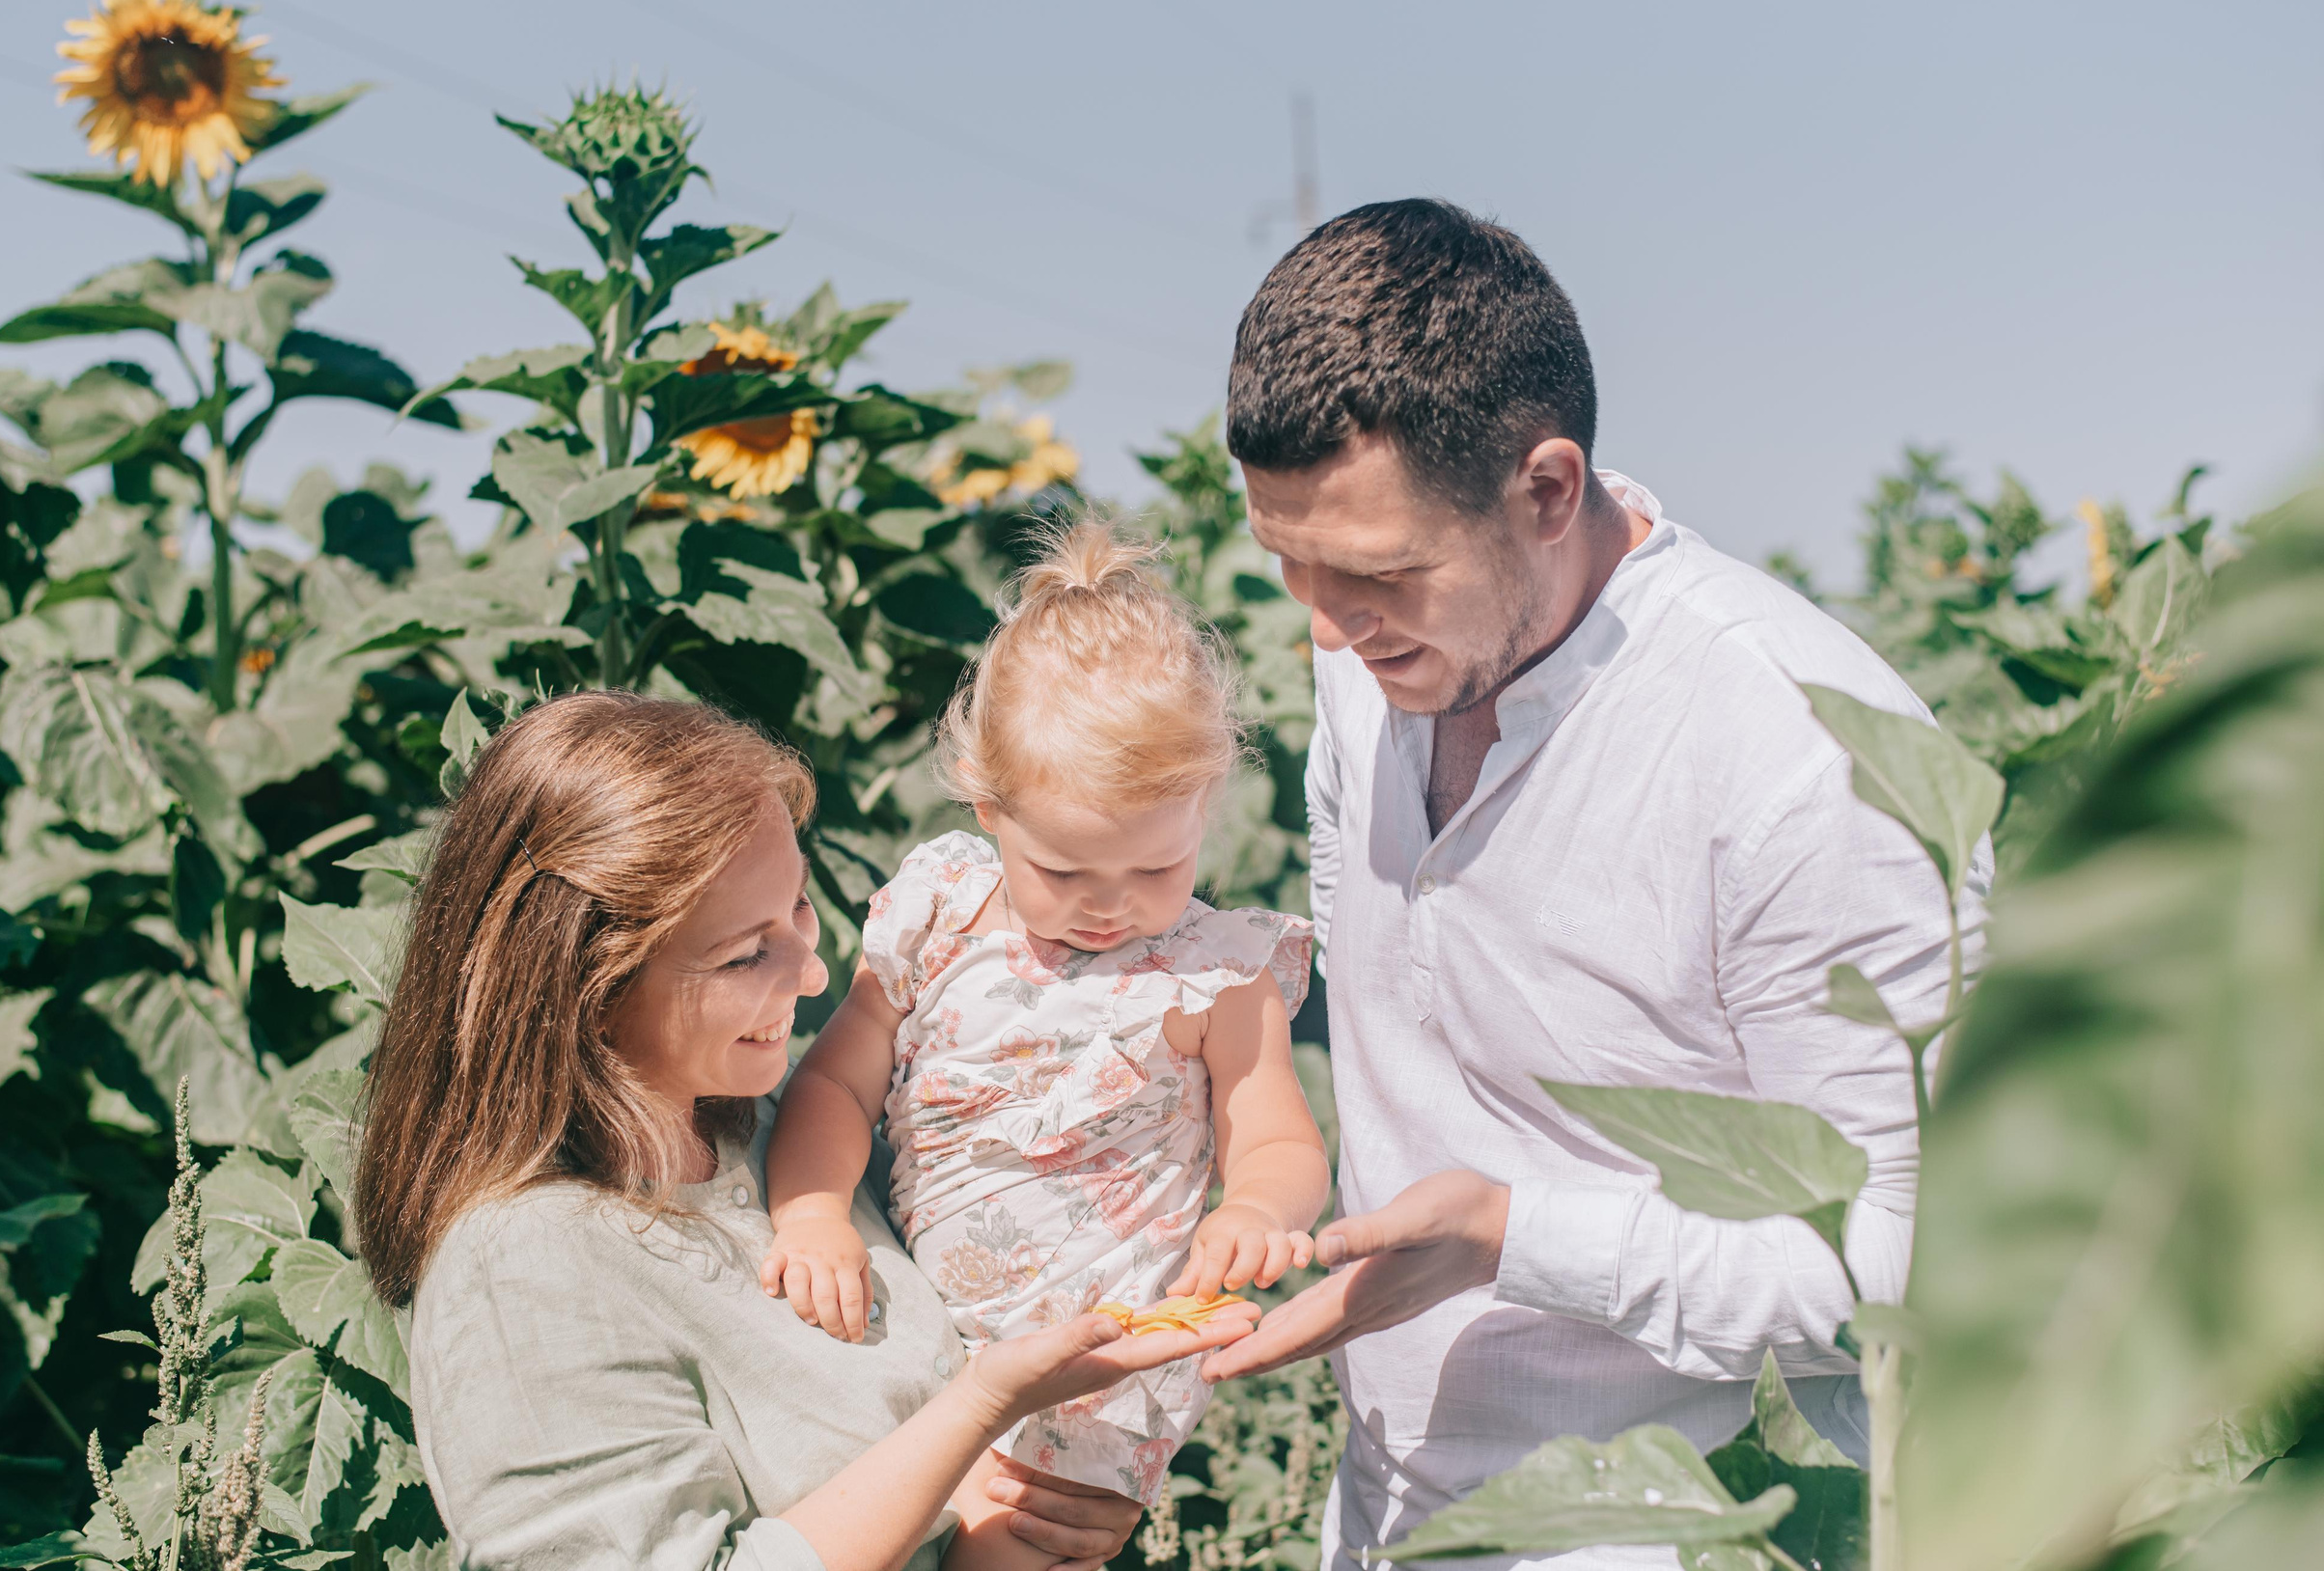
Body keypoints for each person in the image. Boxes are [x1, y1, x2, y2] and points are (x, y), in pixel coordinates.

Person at [1201, 200, 1991, 1571]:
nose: (1323, 628)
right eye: (1292, 566)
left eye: (1377, 574)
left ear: (1549, 489)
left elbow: (1925, 1263)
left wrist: (1521, 1238)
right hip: (1386, 1508)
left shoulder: (1806, 759)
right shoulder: (1366, 659)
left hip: (1675, 1534)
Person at [350, 691, 1257, 1571]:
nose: (815, 973)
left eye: (798, 909)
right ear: (590, 984)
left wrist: (1046, 1496)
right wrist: (977, 1416)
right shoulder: (522, 1271)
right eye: (747, 952)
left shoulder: (779, 1136)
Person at [763, 521, 1329, 1564]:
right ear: (988, 804)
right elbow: (836, 1083)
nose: (1110, 909)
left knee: (1004, 1547)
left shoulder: (1219, 970)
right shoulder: (937, 912)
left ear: (1208, 803)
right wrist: (809, 1213)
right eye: (1066, 874)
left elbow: (1280, 1139)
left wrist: (1255, 1210)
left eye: (1156, 870)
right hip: (905, 1316)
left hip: (1095, 1370)